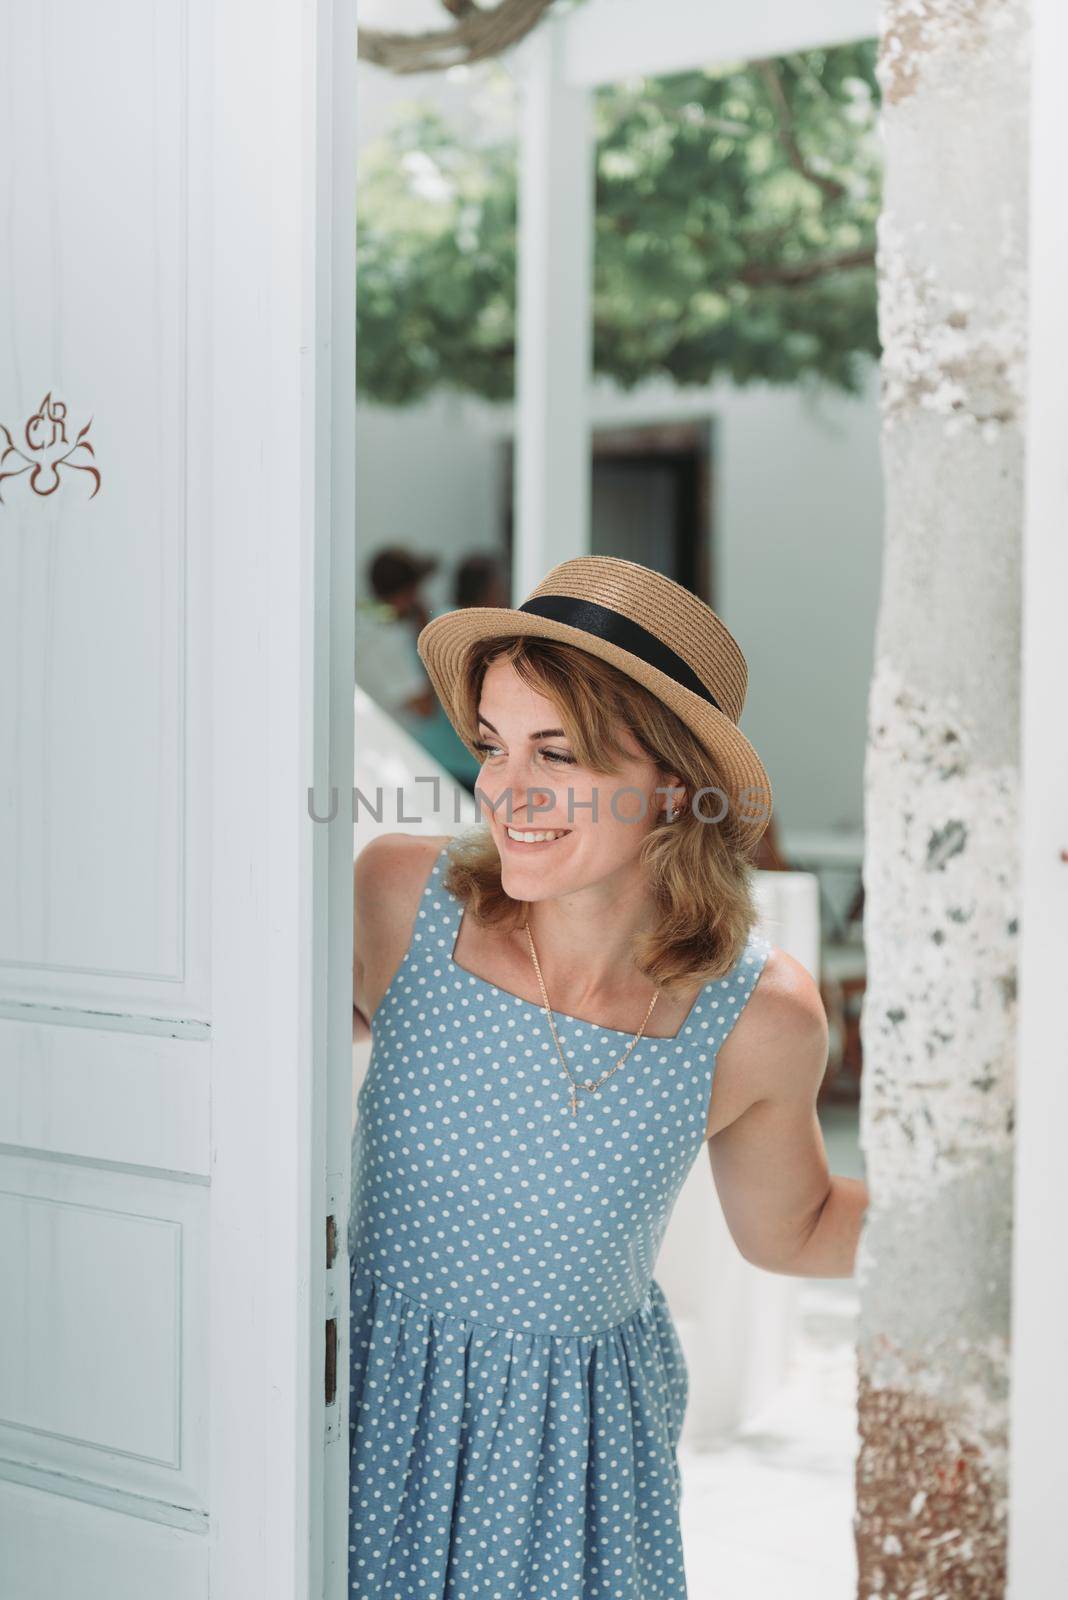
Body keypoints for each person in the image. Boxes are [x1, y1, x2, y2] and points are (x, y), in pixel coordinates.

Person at [349, 555, 869, 1599]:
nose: (506, 789)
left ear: (674, 780)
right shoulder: (402, 900)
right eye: (493, 745)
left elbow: (801, 1226)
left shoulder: (758, 1014)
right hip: (362, 1399)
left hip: (568, 1460)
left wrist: (1012, 1219)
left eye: (559, 752)